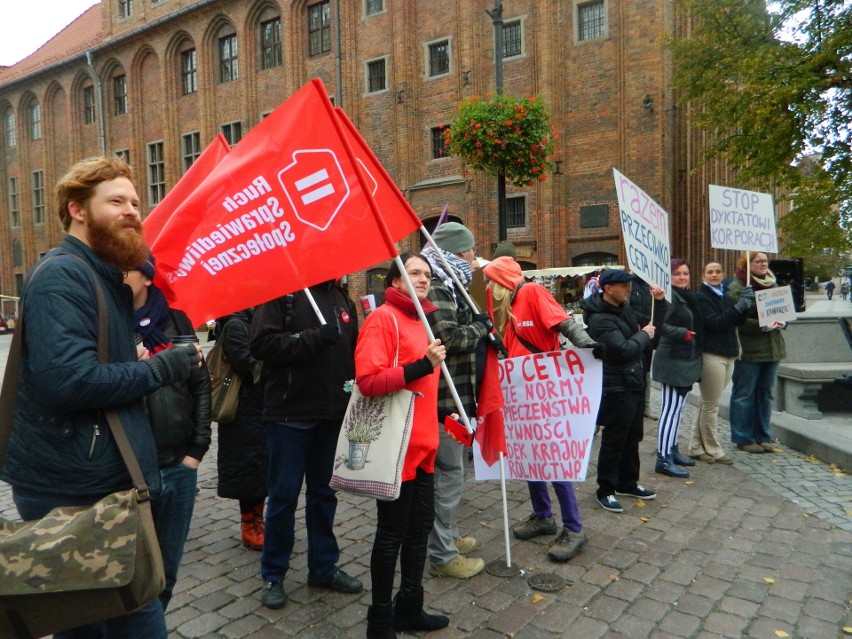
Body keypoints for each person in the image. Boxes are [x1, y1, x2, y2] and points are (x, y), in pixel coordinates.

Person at [0, 156, 201, 638]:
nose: (133, 210)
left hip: (98, 480)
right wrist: (159, 368)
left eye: (135, 201)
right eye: (116, 201)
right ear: (78, 210)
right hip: (73, 487)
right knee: (119, 624)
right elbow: (67, 381)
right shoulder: (64, 276)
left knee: (97, 624)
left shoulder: (103, 275)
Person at [250, 281, 362, 609]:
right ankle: (273, 574)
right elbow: (261, 344)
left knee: (324, 495)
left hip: (331, 415)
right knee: (284, 498)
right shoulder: (281, 293)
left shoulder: (341, 297)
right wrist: (311, 338)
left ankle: (323, 567)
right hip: (290, 415)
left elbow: (350, 350)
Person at [356, 253, 449, 639]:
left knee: (418, 531)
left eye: (427, 274)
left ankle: (409, 607)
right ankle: (379, 621)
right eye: (414, 272)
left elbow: (427, 386)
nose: (423, 278)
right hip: (396, 449)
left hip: (424, 446)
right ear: (395, 281)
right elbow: (368, 381)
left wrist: (445, 415)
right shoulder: (383, 318)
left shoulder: (422, 319)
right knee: (392, 534)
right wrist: (422, 366)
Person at [482, 256, 598, 561]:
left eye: (492, 281)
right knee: (530, 454)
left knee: (553, 459)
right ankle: (543, 516)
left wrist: (589, 346)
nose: (489, 288)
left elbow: (563, 322)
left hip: (545, 393)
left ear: (503, 281)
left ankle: (574, 527)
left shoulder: (531, 292)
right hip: (523, 395)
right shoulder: (509, 308)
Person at [126, 255, 212, 611]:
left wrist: (197, 449)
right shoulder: (108, 326)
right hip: (129, 470)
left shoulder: (176, 321)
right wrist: (131, 366)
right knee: (131, 573)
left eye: (124, 270)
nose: (116, 276)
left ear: (146, 278)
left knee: (167, 572)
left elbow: (200, 384)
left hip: (179, 464)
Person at [421, 223, 489, 579]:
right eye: (471, 251)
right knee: (447, 477)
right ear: (458, 253)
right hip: (446, 400)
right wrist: (482, 327)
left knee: (450, 475)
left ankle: (445, 536)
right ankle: (442, 554)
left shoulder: (451, 283)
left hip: (456, 395)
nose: (474, 257)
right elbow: (448, 338)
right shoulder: (439, 286)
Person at [583, 269, 666, 514]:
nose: (629, 289)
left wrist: (659, 303)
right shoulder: (600, 318)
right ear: (609, 289)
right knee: (615, 439)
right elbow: (621, 350)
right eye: (624, 286)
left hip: (634, 381)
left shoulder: (624, 309)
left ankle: (627, 482)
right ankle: (605, 489)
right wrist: (643, 335)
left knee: (632, 436)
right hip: (616, 385)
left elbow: (653, 327)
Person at [688, 262, 754, 464]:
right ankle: (714, 449)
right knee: (711, 405)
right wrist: (738, 307)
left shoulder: (723, 295)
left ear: (723, 274)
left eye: (718, 271)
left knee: (705, 403)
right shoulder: (701, 297)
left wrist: (745, 305)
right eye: (710, 272)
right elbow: (715, 323)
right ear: (703, 276)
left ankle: (696, 446)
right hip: (712, 354)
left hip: (728, 353)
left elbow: (736, 321)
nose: (714, 274)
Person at [215, 308, 268, 551]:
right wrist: (275, 355)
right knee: (247, 469)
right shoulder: (236, 325)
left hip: (259, 409)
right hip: (241, 412)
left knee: (261, 468)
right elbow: (247, 366)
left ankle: (259, 519)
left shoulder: (255, 321)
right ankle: (249, 524)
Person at [728, 252, 786, 454]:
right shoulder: (738, 287)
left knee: (765, 394)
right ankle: (743, 437)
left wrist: (783, 320)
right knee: (744, 394)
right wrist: (763, 326)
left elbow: (781, 311)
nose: (763, 264)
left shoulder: (773, 284)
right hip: (749, 350)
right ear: (747, 263)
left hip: (772, 348)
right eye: (758, 261)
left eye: (765, 261)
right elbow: (735, 319)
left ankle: (762, 436)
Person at [651, 259, 703, 478]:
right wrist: (683, 333)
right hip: (673, 359)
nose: (682, 277)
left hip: (684, 358)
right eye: (677, 274)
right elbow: (659, 324)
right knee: (670, 411)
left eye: (685, 273)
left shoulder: (686, 296)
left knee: (677, 409)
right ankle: (663, 458)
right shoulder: (669, 298)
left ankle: (671, 449)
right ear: (668, 277)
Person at [628, 274, 658, 419]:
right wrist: (646, 319)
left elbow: (656, 309)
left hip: (648, 335)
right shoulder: (629, 284)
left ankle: (646, 406)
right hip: (633, 333)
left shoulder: (650, 285)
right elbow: (627, 309)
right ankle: (634, 406)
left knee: (646, 370)